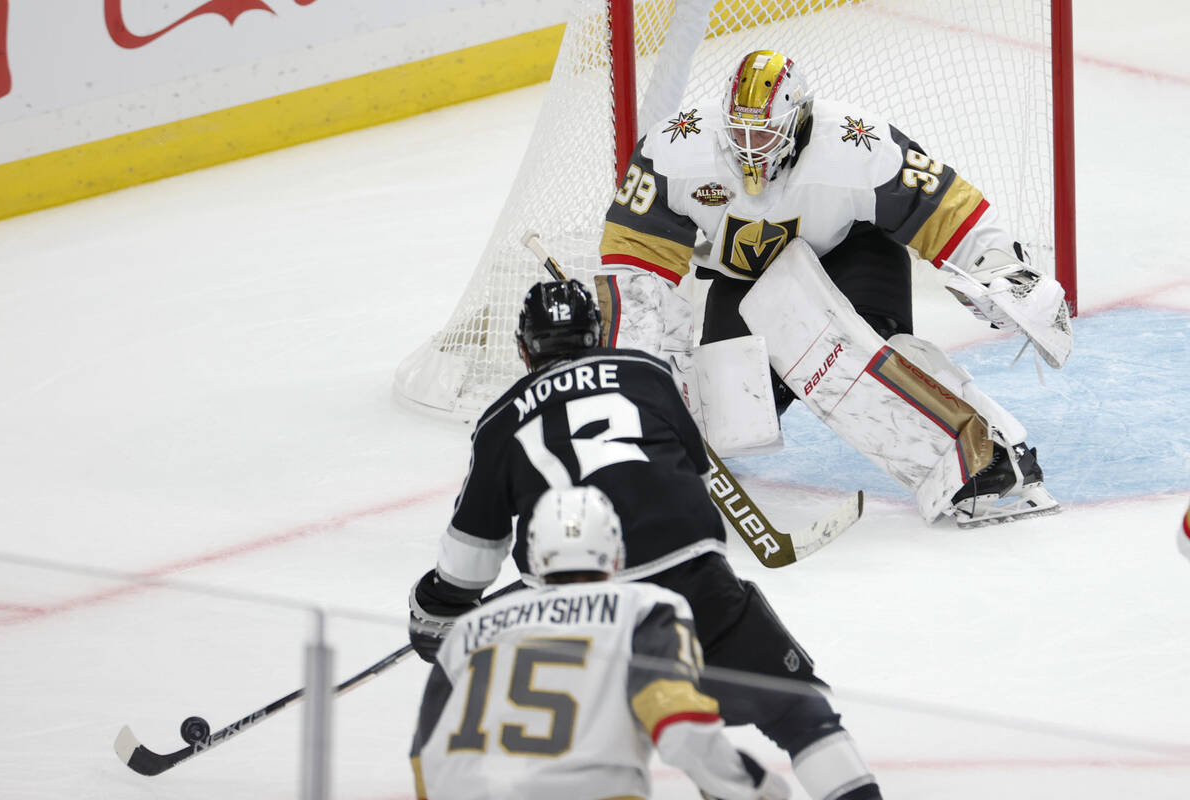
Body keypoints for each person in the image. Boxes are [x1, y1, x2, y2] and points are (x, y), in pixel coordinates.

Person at [409, 278, 883, 800]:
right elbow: (698, 481)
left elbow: (468, 564)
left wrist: (438, 606)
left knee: (608, 739)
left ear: (523, 349)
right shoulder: (646, 373)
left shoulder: (498, 422)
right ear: (596, 336)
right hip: (692, 579)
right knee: (796, 708)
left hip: (572, 609)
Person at [597, 49, 1073, 527]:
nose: (749, 147)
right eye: (738, 132)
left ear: (798, 119)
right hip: (744, 281)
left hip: (852, 260)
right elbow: (635, 262)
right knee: (731, 420)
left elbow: (945, 207)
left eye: (763, 132)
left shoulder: (857, 145)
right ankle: (776, 378)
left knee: (855, 360)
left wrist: (1002, 268)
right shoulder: (676, 148)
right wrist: (634, 364)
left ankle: (987, 455)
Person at [410, 485, 790, 800]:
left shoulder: (470, 628)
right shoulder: (645, 609)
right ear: (615, 549)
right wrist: (752, 786)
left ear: (534, 552)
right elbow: (679, 726)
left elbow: (424, 754)